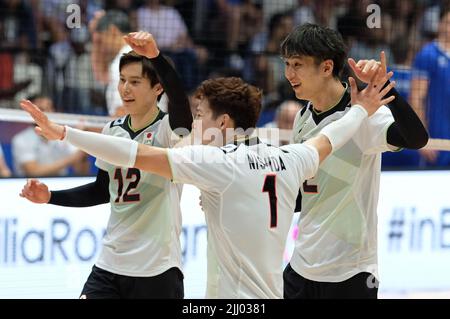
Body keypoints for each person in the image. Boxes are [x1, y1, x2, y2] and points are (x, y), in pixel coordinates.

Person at [20, 68, 395, 298]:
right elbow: (331, 137)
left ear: (224, 124)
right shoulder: (291, 157)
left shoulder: (216, 162)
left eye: (200, 116)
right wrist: (363, 108)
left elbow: (132, 154)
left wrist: (64, 132)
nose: (194, 124)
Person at [19, 31, 192, 299]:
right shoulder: (112, 130)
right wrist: (50, 197)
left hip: (156, 268)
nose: (125, 89)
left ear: (158, 88)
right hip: (110, 264)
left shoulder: (169, 129)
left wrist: (155, 56)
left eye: (135, 82)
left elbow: (181, 101)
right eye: (122, 80)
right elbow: (102, 190)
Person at [281, 23, 429, 299]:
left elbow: (417, 139)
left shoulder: (364, 112)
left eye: (297, 65)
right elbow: (303, 191)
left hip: (350, 273)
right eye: (287, 64)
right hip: (301, 268)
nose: (289, 74)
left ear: (326, 68)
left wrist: (385, 88)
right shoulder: (303, 117)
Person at [410, 6, 450, 167]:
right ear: (440, 24)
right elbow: (416, 98)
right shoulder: (427, 55)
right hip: (436, 140)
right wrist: (422, 138)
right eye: (448, 22)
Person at [11, 95, 88, 177]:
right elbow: (33, 172)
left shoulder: (62, 134)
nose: (46, 113)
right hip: (33, 185)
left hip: (62, 184)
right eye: (41, 109)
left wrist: (81, 140)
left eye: (49, 108)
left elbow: (81, 170)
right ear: (30, 112)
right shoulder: (21, 139)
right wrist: (73, 158)